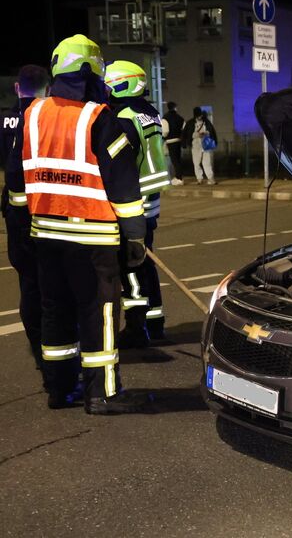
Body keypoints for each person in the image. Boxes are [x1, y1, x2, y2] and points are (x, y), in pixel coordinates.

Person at [21, 34, 148, 413]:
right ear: (92, 72)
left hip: (44, 234)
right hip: (92, 238)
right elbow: (123, 183)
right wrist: (136, 235)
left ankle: (59, 390)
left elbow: (15, 178)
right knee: (99, 313)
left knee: (54, 310)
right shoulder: (99, 118)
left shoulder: (33, 114)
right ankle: (103, 393)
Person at [105, 60, 170, 347]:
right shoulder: (148, 112)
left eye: (108, 86)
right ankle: (155, 322)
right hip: (151, 199)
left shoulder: (123, 117)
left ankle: (136, 326)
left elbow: (119, 163)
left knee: (131, 266)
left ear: (121, 85)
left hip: (133, 201)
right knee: (146, 263)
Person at [1, 64, 50, 380]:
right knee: (55, 287)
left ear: (18, 88)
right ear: (47, 88)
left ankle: (39, 349)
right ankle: (57, 352)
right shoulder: (50, 116)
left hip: (16, 215)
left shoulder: (5, 119)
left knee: (29, 286)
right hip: (48, 211)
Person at [189, 106, 217, 184]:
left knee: (206, 162)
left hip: (204, 144)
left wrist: (205, 133)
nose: (200, 117)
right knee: (196, 162)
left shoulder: (205, 122)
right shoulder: (192, 123)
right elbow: (189, 134)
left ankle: (210, 178)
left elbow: (211, 131)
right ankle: (200, 178)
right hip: (196, 144)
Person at [162, 101, 185, 185]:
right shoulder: (180, 118)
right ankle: (179, 177)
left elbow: (165, 131)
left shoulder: (165, 118)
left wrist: (163, 138)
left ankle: (178, 178)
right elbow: (184, 129)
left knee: (174, 160)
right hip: (178, 140)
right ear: (175, 107)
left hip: (170, 141)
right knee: (178, 160)